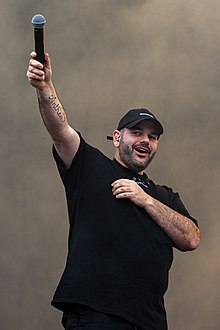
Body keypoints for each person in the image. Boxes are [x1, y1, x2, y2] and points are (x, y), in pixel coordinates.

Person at [27, 52, 200, 330]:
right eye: (136, 132)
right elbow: (60, 131)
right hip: (98, 315)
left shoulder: (165, 196)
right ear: (117, 137)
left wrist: (145, 200)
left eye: (152, 137)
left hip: (150, 322)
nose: (146, 140)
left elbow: (191, 238)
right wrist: (45, 87)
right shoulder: (93, 167)